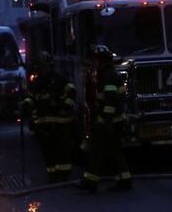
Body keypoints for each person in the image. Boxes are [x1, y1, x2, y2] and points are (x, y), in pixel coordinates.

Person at [79, 45, 132, 193]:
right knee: (114, 152)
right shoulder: (107, 73)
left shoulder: (107, 75)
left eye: (94, 60)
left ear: (100, 60)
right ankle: (124, 180)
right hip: (113, 120)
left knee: (97, 151)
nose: (93, 64)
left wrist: (105, 120)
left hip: (109, 121)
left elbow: (111, 100)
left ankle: (90, 183)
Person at [22, 52, 76, 182]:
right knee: (48, 151)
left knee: (62, 150)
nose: (42, 69)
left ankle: (64, 175)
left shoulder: (59, 80)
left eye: (44, 66)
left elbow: (71, 91)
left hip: (61, 122)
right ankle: (53, 175)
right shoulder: (36, 84)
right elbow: (30, 98)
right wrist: (26, 105)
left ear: (50, 66)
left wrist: (65, 106)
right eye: (40, 67)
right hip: (43, 124)